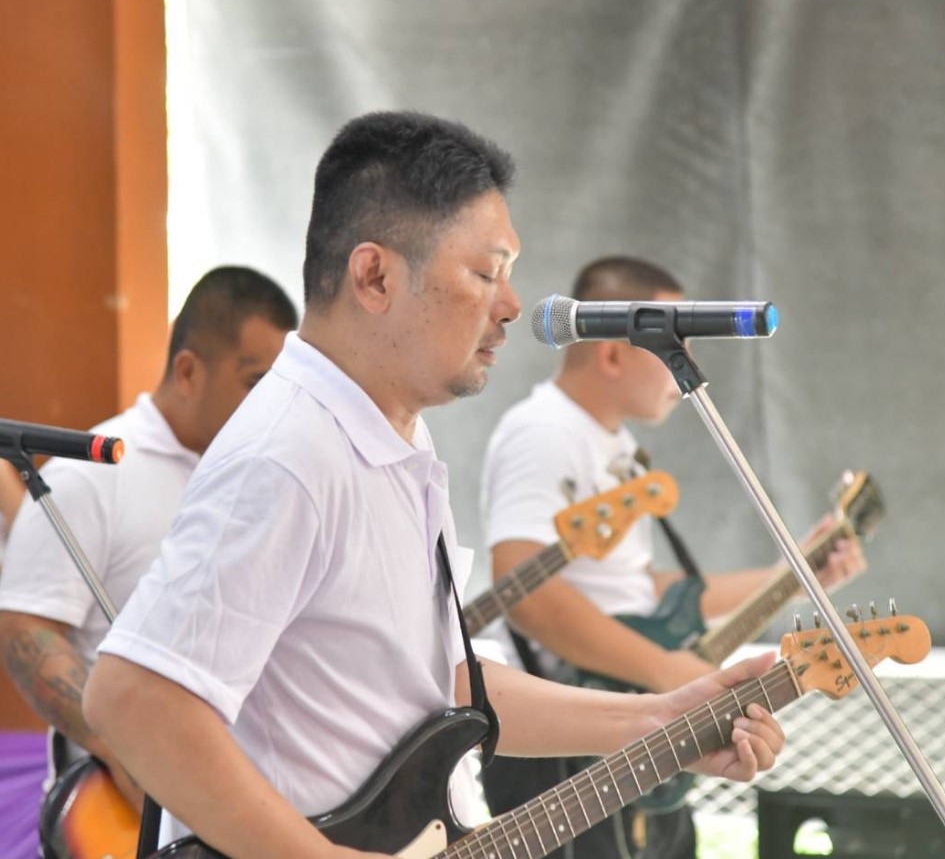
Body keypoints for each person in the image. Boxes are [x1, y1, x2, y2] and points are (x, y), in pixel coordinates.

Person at [82, 112, 785, 859]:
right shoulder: (285, 454)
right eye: (486, 273)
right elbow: (134, 698)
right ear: (375, 276)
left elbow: (441, 683)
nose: (510, 305)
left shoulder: (395, 439)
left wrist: (661, 720)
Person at [479, 254, 866, 858]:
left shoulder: (614, 444)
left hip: (627, 722)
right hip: (567, 744)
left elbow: (641, 590)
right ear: (613, 354)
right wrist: (668, 677)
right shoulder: (544, 431)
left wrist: (792, 577)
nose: (686, 360)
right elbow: (526, 594)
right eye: (675, 341)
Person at [0, 266, 298, 811]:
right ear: (187, 371)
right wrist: (121, 745)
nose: (271, 407)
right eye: (255, 383)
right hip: (121, 817)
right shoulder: (92, 472)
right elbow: (25, 627)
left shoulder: (268, 477)